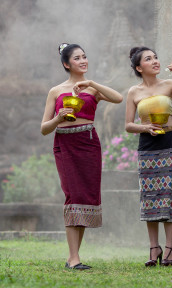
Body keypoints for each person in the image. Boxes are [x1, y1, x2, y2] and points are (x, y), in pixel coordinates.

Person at [41, 43, 123, 270]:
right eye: (77, 58)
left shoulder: (93, 89)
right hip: (65, 144)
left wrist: (92, 83)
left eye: (84, 56)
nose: (83, 61)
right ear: (67, 64)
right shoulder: (56, 91)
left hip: (89, 143)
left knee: (86, 196)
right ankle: (73, 257)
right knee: (72, 194)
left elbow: (118, 99)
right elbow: (44, 128)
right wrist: (58, 118)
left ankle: (74, 257)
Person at [125, 46, 172, 267]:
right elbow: (128, 125)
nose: (155, 61)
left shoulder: (169, 85)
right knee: (149, 196)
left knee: (167, 194)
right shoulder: (134, 92)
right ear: (139, 67)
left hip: (169, 143)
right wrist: (145, 127)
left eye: (156, 57)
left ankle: (169, 248)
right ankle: (153, 247)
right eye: (149, 59)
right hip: (147, 145)